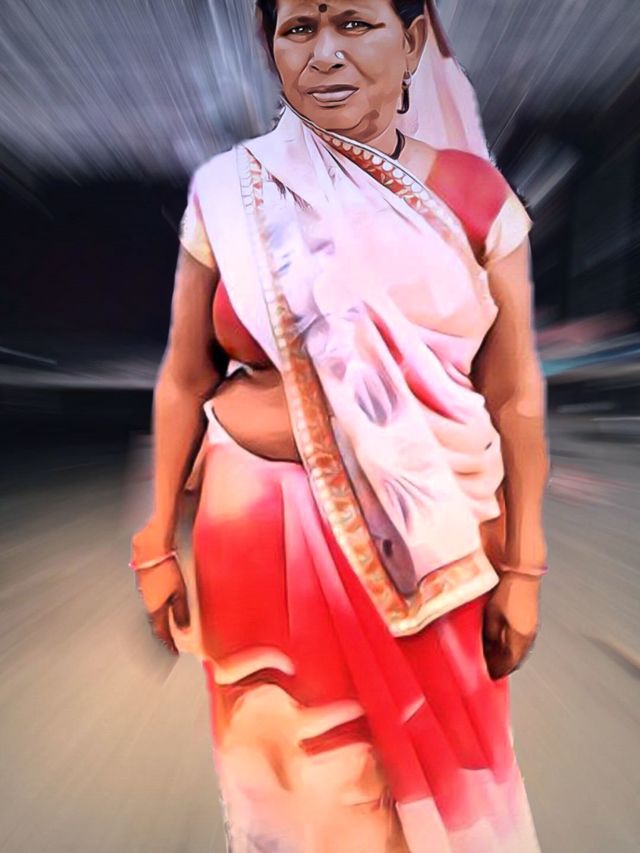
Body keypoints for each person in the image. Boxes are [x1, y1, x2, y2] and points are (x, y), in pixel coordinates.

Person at [130, 1, 549, 850]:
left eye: (354, 23)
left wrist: (525, 566)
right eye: (299, 29)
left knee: (431, 792)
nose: (325, 54)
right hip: (253, 545)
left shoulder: (474, 197)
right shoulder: (229, 191)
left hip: (432, 544)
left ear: (413, 41)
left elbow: (512, 394)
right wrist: (154, 539)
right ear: (273, 48)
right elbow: (184, 375)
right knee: (296, 790)